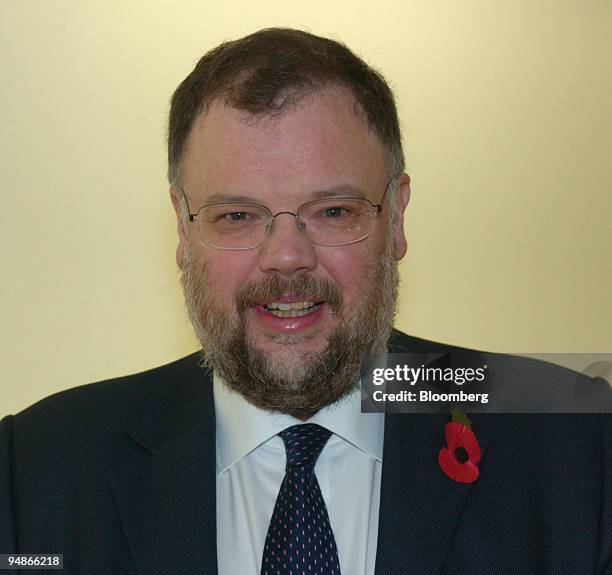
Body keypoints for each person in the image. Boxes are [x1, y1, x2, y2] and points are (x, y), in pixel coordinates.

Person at [0, 28, 610, 575]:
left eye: (334, 212)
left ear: (396, 217)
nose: (286, 257)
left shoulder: (575, 438)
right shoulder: (34, 471)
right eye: (237, 216)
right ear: (183, 232)